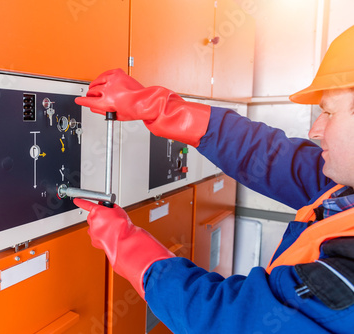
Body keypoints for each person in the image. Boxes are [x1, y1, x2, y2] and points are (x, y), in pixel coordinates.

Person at [73, 25, 354, 333]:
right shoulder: (344, 188)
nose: (315, 130)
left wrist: (126, 245)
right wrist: (161, 109)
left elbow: (229, 320)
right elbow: (275, 159)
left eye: (329, 113)